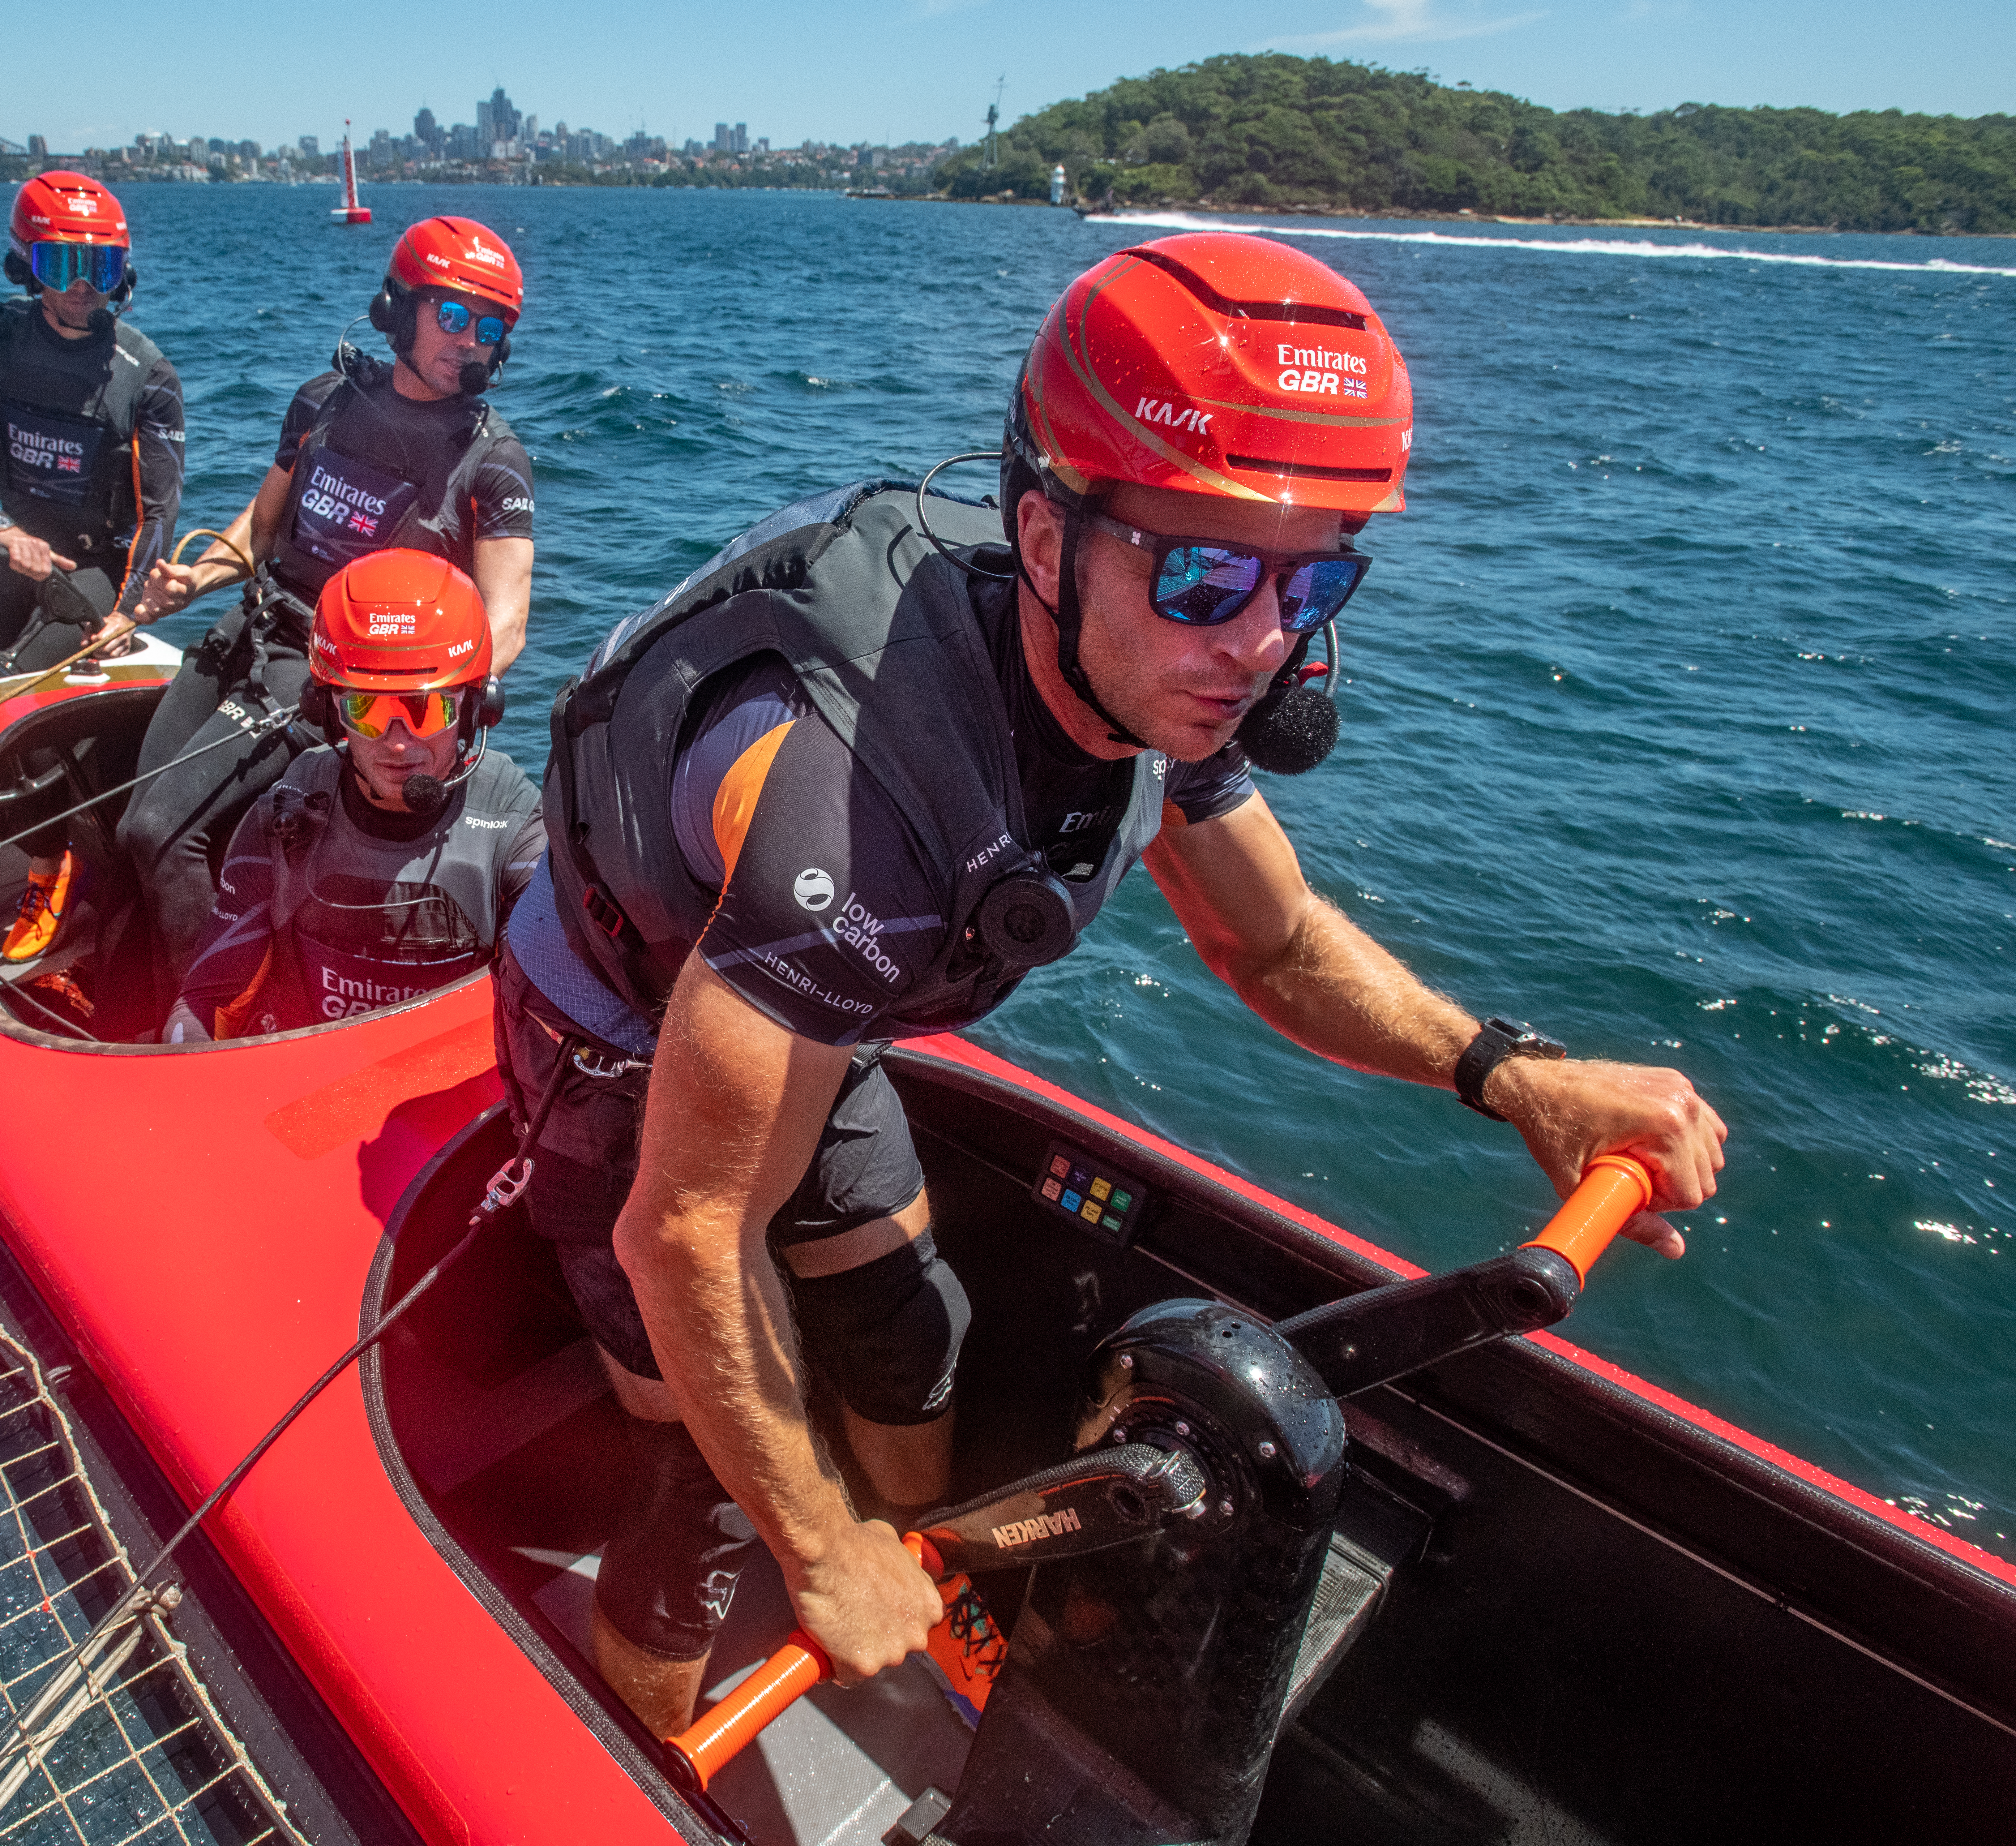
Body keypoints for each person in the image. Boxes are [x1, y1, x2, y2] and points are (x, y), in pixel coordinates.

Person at [498, 232, 1732, 1738]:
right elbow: (684, 1225)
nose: (1263, 641)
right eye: (1208, 566)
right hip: (621, 1034)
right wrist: (813, 1546)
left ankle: (924, 1586)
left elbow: (1270, 942)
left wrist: (1512, 1072)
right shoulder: (853, 797)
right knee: (698, 1461)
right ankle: (627, 1761)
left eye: (1311, 575)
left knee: (911, 1331)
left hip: (821, 1006)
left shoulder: (1146, 663)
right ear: (1042, 538)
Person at [116, 215, 536, 992]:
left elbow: (505, 620)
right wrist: (193, 581)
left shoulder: (492, 459)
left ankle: (205, 1032)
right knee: (135, 810)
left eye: (489, 327)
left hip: (334, 674)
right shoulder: (323, 403)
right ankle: (131, 990)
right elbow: (264, 525)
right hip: (252, 627)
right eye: (452, 316)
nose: (469, 340)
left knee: (162, 831)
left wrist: (395, 689)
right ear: (396, 309)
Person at [0, 169, 185, 959]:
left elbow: (159, 511)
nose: (82, 289)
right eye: (60, 267)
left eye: (100, 271)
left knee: (7, 690)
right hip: (15, 554)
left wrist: (126, 609)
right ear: (24, 266)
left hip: (92, 573)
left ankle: (49, 869)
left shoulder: (147, 375)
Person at [164, 549, 539, 1043]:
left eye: (427, 710)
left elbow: (541, 1009)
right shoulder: (287, 812)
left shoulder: (514, 826)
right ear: (324, 710)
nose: (399, 742)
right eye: (366, 709)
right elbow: (207, 997)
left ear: (476, 709)